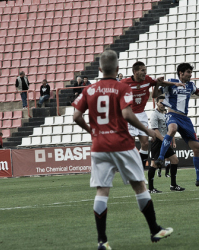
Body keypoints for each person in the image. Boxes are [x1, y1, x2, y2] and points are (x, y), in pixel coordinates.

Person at [72, 50, 173, 250]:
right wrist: (147, 130)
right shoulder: (122, 87)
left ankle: (102, 241)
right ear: (117, 69)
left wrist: (92, 131)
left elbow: (76, 116)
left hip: (99, 146)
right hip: (122, 144)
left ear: (100, 69)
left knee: (102, 191)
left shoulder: (89, 90)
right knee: (139, 186)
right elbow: (127, 114)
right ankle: (154, 229)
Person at [120, 61, 184, 171]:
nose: (145, 72)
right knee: (130, 145)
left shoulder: (147, 80)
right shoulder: (124, 83)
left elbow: (161, 82)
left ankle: (139, 168)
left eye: (145, 70)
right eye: (142, 70)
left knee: (145, 143)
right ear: (135, 71)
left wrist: (174, 84)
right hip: (130, 114)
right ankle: (131, 165)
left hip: (142, 114)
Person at [148, 96, 185, 193]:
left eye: (164, 103)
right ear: (156, 103)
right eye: (160, 102)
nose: (162, 104)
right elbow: (155, 130)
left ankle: (173, 185)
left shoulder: (166, 114)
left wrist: (171, 140)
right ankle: (150, 188)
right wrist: (165, 141)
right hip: (158, 141)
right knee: (155, 164)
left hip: (165, 140)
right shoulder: (154, 115)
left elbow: (170, 129)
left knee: (175, 160)